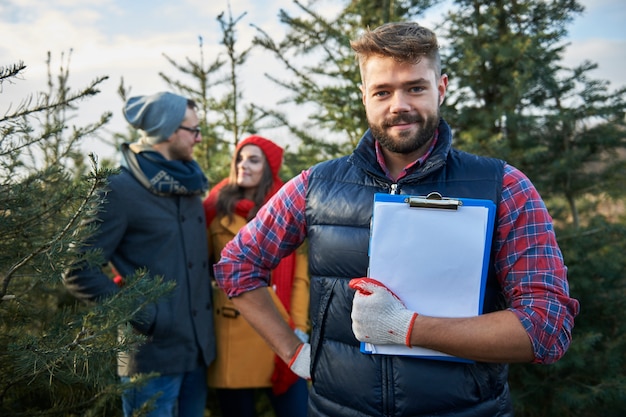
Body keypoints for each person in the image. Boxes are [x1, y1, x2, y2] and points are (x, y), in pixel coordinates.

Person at [213, 22, 580, 416]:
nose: (398, 105)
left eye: (415, 88)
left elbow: (546, 327)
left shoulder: (503, 186)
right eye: (382, 92)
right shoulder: (315, 185)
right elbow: (237, 266)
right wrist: (294, 352)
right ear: (364, 97)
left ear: (441, 87)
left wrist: (408, 328)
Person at [63, 91, 216, 417]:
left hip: (198, 354)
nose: (199, 138)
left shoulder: (188, 185)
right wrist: (144, 315)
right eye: (193, 130)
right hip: (151, 359)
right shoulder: (119, 189)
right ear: (170, 130)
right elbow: (78, 269)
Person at [203, 135, 310, 417]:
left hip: (279, 324)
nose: (243, 165)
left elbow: (299, 278)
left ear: (268, 167)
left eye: (253, 159)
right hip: (232, 326)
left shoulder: (285, 209)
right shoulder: (215, 207)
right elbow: (200, 265)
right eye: (239, 158)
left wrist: (298, 326)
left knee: (297, 409)